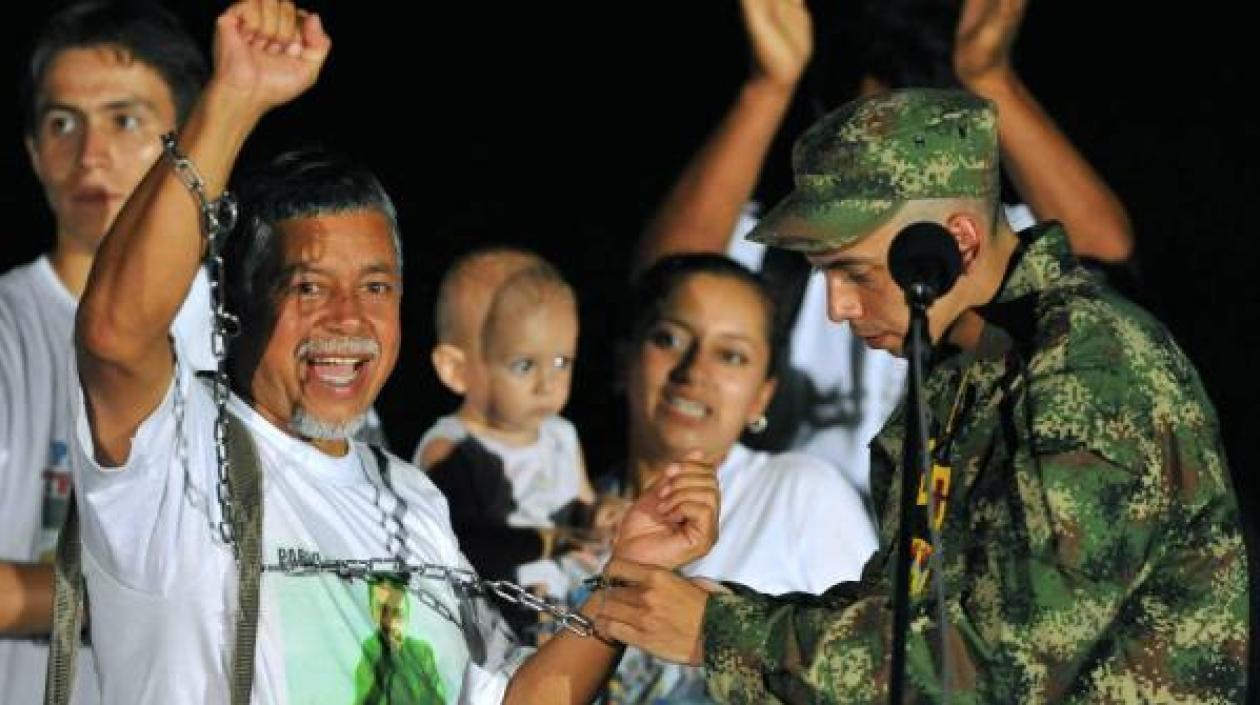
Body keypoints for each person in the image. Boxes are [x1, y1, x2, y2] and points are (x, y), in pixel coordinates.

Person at [67, 2, 718, 703]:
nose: (348, 318)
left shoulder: (413, 502)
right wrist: (234, 97)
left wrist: (624, 577)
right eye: (309, 285)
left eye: (375, 285)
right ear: (239, 303)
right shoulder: (178, 454)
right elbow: (114, 333)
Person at [596, 88, 1249, 702]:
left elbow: (995, 669)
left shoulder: (1093, 371)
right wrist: (710, 611)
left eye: (853, 272)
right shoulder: (963, 365)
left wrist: (723, 631)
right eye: (823, 275)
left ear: (957, 242)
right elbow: (910, 618)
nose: (836, 308)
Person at [635, 0, 1135, 501]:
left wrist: (989, 78)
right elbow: (670, 279)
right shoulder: (796, 255)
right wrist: (768, 88)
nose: (879, 164)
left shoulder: (997, 257)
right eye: (860, 132)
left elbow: (1100, 251)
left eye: (908, 141)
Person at [0, 3, 210, 702]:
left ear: (187, 144)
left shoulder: (260, 325)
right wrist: (151, 594)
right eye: (63, 123)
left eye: (125, 120)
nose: (91, 155)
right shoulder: (7, 325)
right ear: (32, 150)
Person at [581, 252, 877, 703]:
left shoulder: (799, 492)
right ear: (625, 360)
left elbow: (876, 669)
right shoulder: (566, 504)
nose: (695, 372)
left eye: (731, 356)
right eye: (670, 339)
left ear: (762, 397)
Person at [416, 246, 596, 600]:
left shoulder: (561, 435)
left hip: (558, 610)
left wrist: (602, 516)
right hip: (487, 623)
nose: (548, 384)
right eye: (523, 365)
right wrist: (547, 543)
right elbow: (464, 544)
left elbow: (582, 505)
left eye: (562, 362)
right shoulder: (451, 450)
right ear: (456, 370)